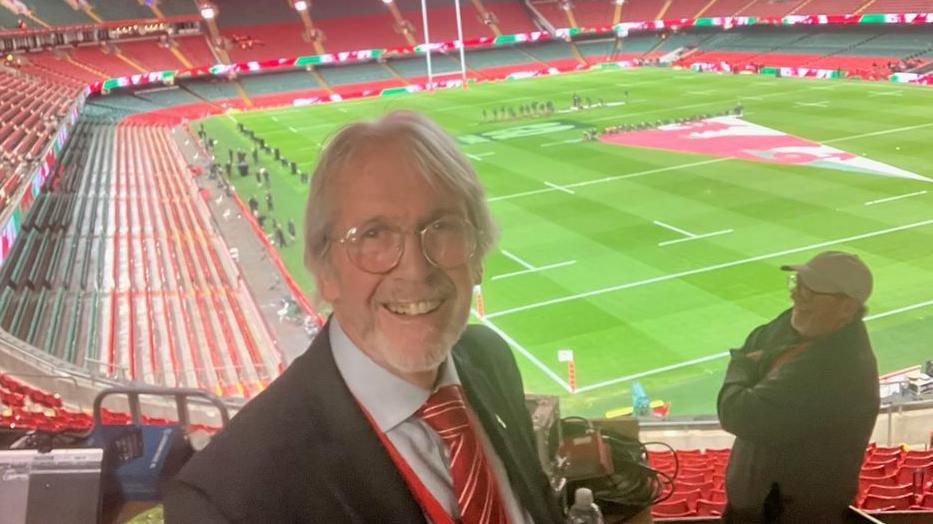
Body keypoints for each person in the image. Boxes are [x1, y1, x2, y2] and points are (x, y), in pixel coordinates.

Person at [164, 110, 563, 523]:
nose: (415, 269)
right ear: (324, 269)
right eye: (373, 235)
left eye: (442, 227)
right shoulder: (229, 499)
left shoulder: (489, 359)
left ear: (477, 253)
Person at [718, 251, 879, 523]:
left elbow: (736, 412)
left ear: (847, 307)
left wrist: (743, 364)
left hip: (787, 515)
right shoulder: (802, 323)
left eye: (811, 291)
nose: (796, 295)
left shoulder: (835, 368)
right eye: (798, 284)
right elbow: (758, 337)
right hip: (761, 507)